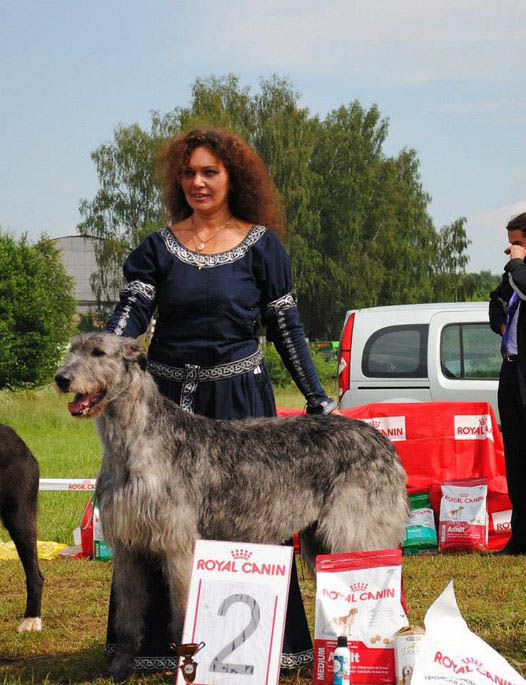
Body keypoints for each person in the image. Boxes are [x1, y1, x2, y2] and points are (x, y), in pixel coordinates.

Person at [103, 127, 338, 673]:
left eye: (210, 171)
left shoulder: (262, 246)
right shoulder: (156, 249)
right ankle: (156, 649)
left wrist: (318, 399)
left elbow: (286, 326)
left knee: (250, 522)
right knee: (152, 524)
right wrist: (104, 354)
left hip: (240, 404)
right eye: (189, 173)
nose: (198, 182)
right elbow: (129, 317)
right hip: (163, 414)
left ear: (233, 178)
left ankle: (258, 649)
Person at [489, 211, 526, 555]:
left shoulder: (520, 272)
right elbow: (495, 303)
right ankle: (520, 537)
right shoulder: (513, 274)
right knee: (515, 457)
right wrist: (500, 323)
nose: (510, 249)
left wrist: (517, 265)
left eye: (517, 242)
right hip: (511, 372)